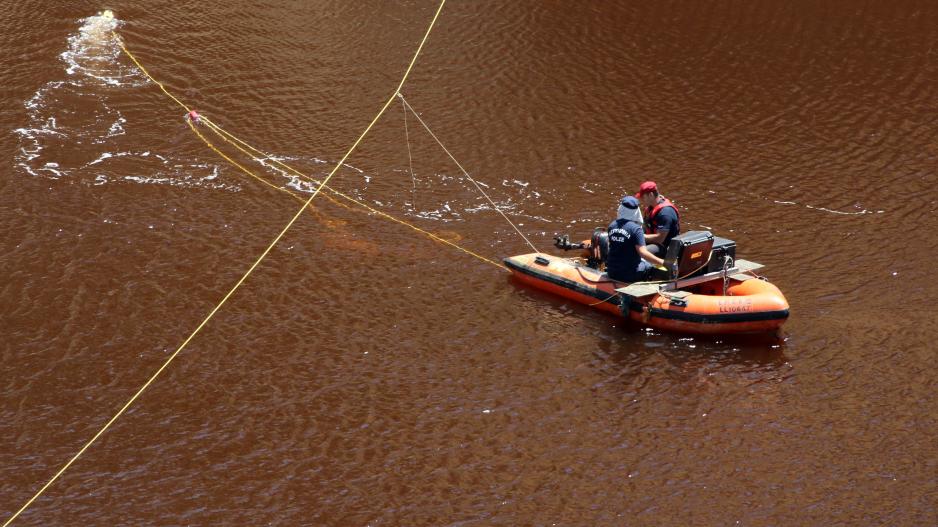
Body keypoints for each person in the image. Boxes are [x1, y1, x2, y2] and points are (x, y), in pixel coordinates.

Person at [605, 195, 666, 282]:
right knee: (651, 266)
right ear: (636, 211)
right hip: (629, 275)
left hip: (612, 272)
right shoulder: (636, 229)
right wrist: (663, 262)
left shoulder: (612, 225)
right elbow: (643, 253)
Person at [636, 181, 680, 256]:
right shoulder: (651, 207)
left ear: (651, 195)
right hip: (652, 240)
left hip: (665, 247)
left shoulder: (665, 213)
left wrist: (639, 236)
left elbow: (660, 238)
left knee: (638, 252)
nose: (641, 200)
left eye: (643, 197)